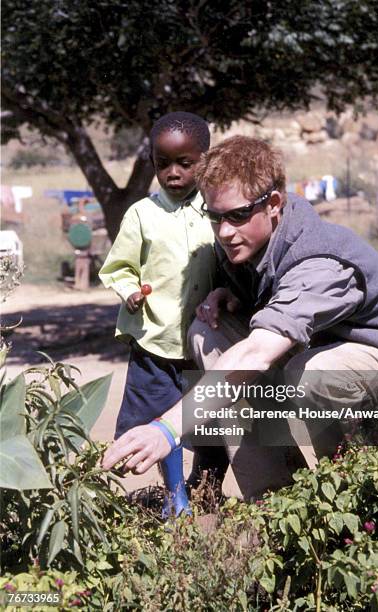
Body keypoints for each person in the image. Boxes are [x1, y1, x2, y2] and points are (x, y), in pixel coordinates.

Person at [102, 135, 378, 500]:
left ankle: (352, 494)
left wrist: (167, 428)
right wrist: (229, 294)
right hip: (314, 350)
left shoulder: (320, 260)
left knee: (309, 374)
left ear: (273, 203)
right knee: (209, 333)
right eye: (214, 216)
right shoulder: (250, 241)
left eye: (237, 215)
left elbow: (259, 351)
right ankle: (276, 499)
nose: (225, 231)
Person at [99, 111, 219, 516]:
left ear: (204, 159)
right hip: (156, 339)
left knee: (212, 418)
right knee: (161, 419)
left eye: (185, 164)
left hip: (206, 339)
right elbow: (119, 266)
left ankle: (207, 484)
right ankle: (175, 496)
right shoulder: (141, 215)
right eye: (162, 163)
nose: (172, 173)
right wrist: (130, 291)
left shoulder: (216, 210)